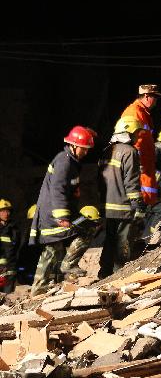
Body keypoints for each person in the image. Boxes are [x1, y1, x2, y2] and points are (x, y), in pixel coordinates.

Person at [29, 126, 95, 295]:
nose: (86, 153)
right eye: (84, 149)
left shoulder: (69, 161)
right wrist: (62, 216)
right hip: (54, 215)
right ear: (73, 145)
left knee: (54, 248)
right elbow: (57, 189)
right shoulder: (64, 161)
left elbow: (65, 187)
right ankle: (67, 266)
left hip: (56, 213)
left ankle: (40, 287)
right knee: (86, 229)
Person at [98, 116, 145, 279]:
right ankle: (120, 275)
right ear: (128, 133)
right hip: (123, 206)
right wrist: (137, 205)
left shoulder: (107, 151)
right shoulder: (130, 152)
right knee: (123, 242)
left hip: (108, 206)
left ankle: (104, 272)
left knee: (110, 239)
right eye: (136, 133)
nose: (138, 136)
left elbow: (100, 180)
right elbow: (131, 182)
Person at [121, 84, 161, 208]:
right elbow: (129, 143)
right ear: (146, 96)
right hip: (140, 176)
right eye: (155, 97)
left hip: (146, 174)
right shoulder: (134, 112)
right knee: (141, 215)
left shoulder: (143, 114)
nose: (156, 101)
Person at [0, 199, 19, 293]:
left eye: (8, 211)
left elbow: (17, 246)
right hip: (1, 265)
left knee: (9, 292)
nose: (6, 213)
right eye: (3, 211)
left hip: (11, 265)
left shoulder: (13, 227)